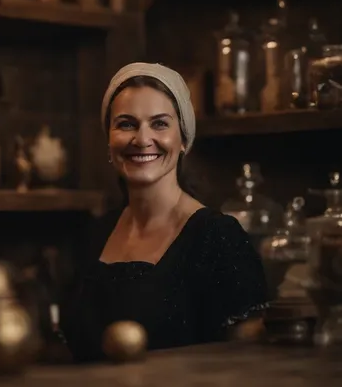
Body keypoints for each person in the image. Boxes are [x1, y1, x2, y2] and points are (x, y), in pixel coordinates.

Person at [61, 62, 268, 362]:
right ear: (108, 140)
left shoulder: (217, 237)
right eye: (126, 124)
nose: (142, 139)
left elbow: (245, 362)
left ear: (183, 139)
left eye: (159, 123)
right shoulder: (95, 233)